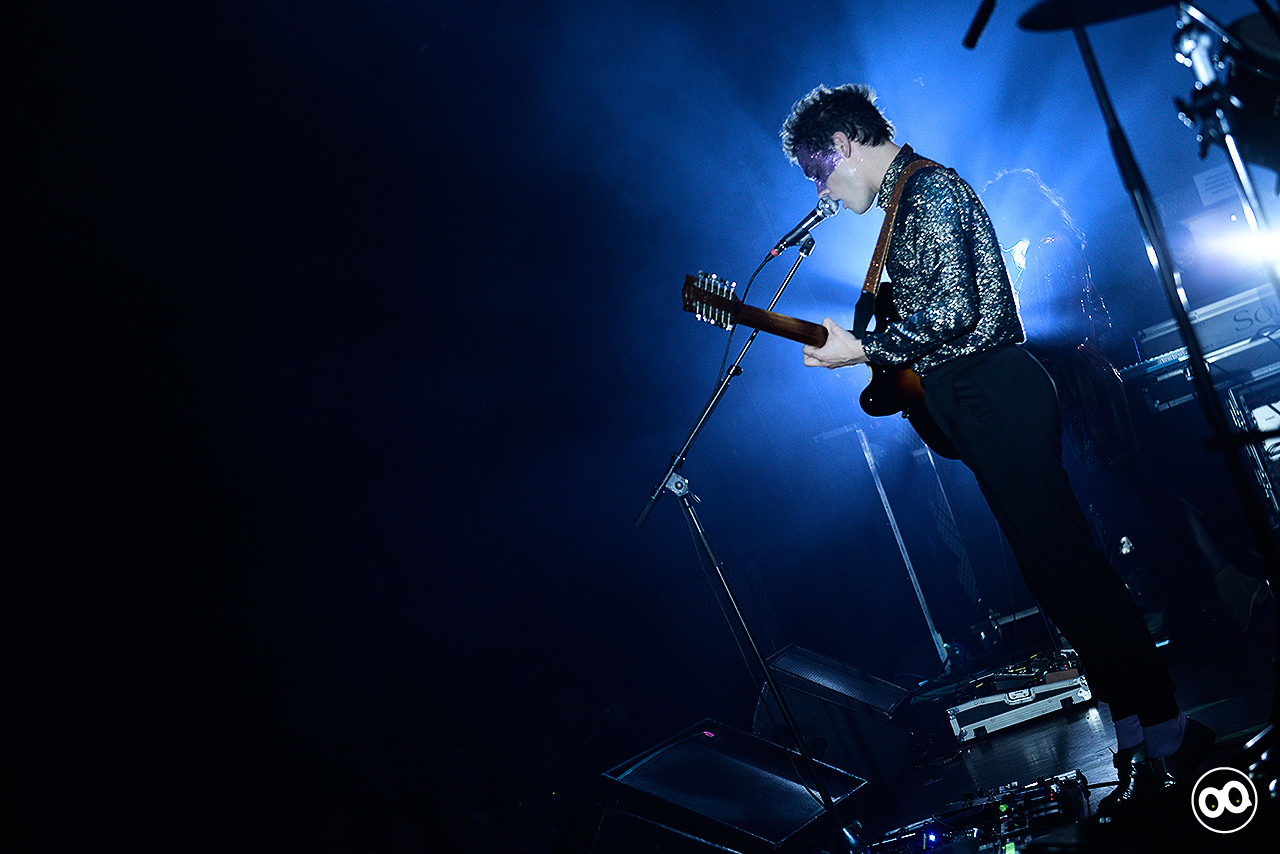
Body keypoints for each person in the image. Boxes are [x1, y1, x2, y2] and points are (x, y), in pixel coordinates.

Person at [779, 84, 1214, 816]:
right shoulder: (903, 208)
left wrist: (866, 347)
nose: (820, 191)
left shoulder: (929, 191)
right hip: (975, 399)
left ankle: (1169, 730)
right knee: (1054, 581)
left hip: (997, 390)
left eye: (817, 173)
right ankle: (1137, 734)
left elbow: (956, 313)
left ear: (844, 146)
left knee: (1073, 569)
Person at [980, 169, 1270, 641]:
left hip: (1078, 389)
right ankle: (1218, 590)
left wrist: (1009, 342)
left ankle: (1207, 602)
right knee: (1139, 497)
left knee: (1132, 502)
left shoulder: (1051, 248)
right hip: (1073, 385)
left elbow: (1067, 324)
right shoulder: (1033, 252)